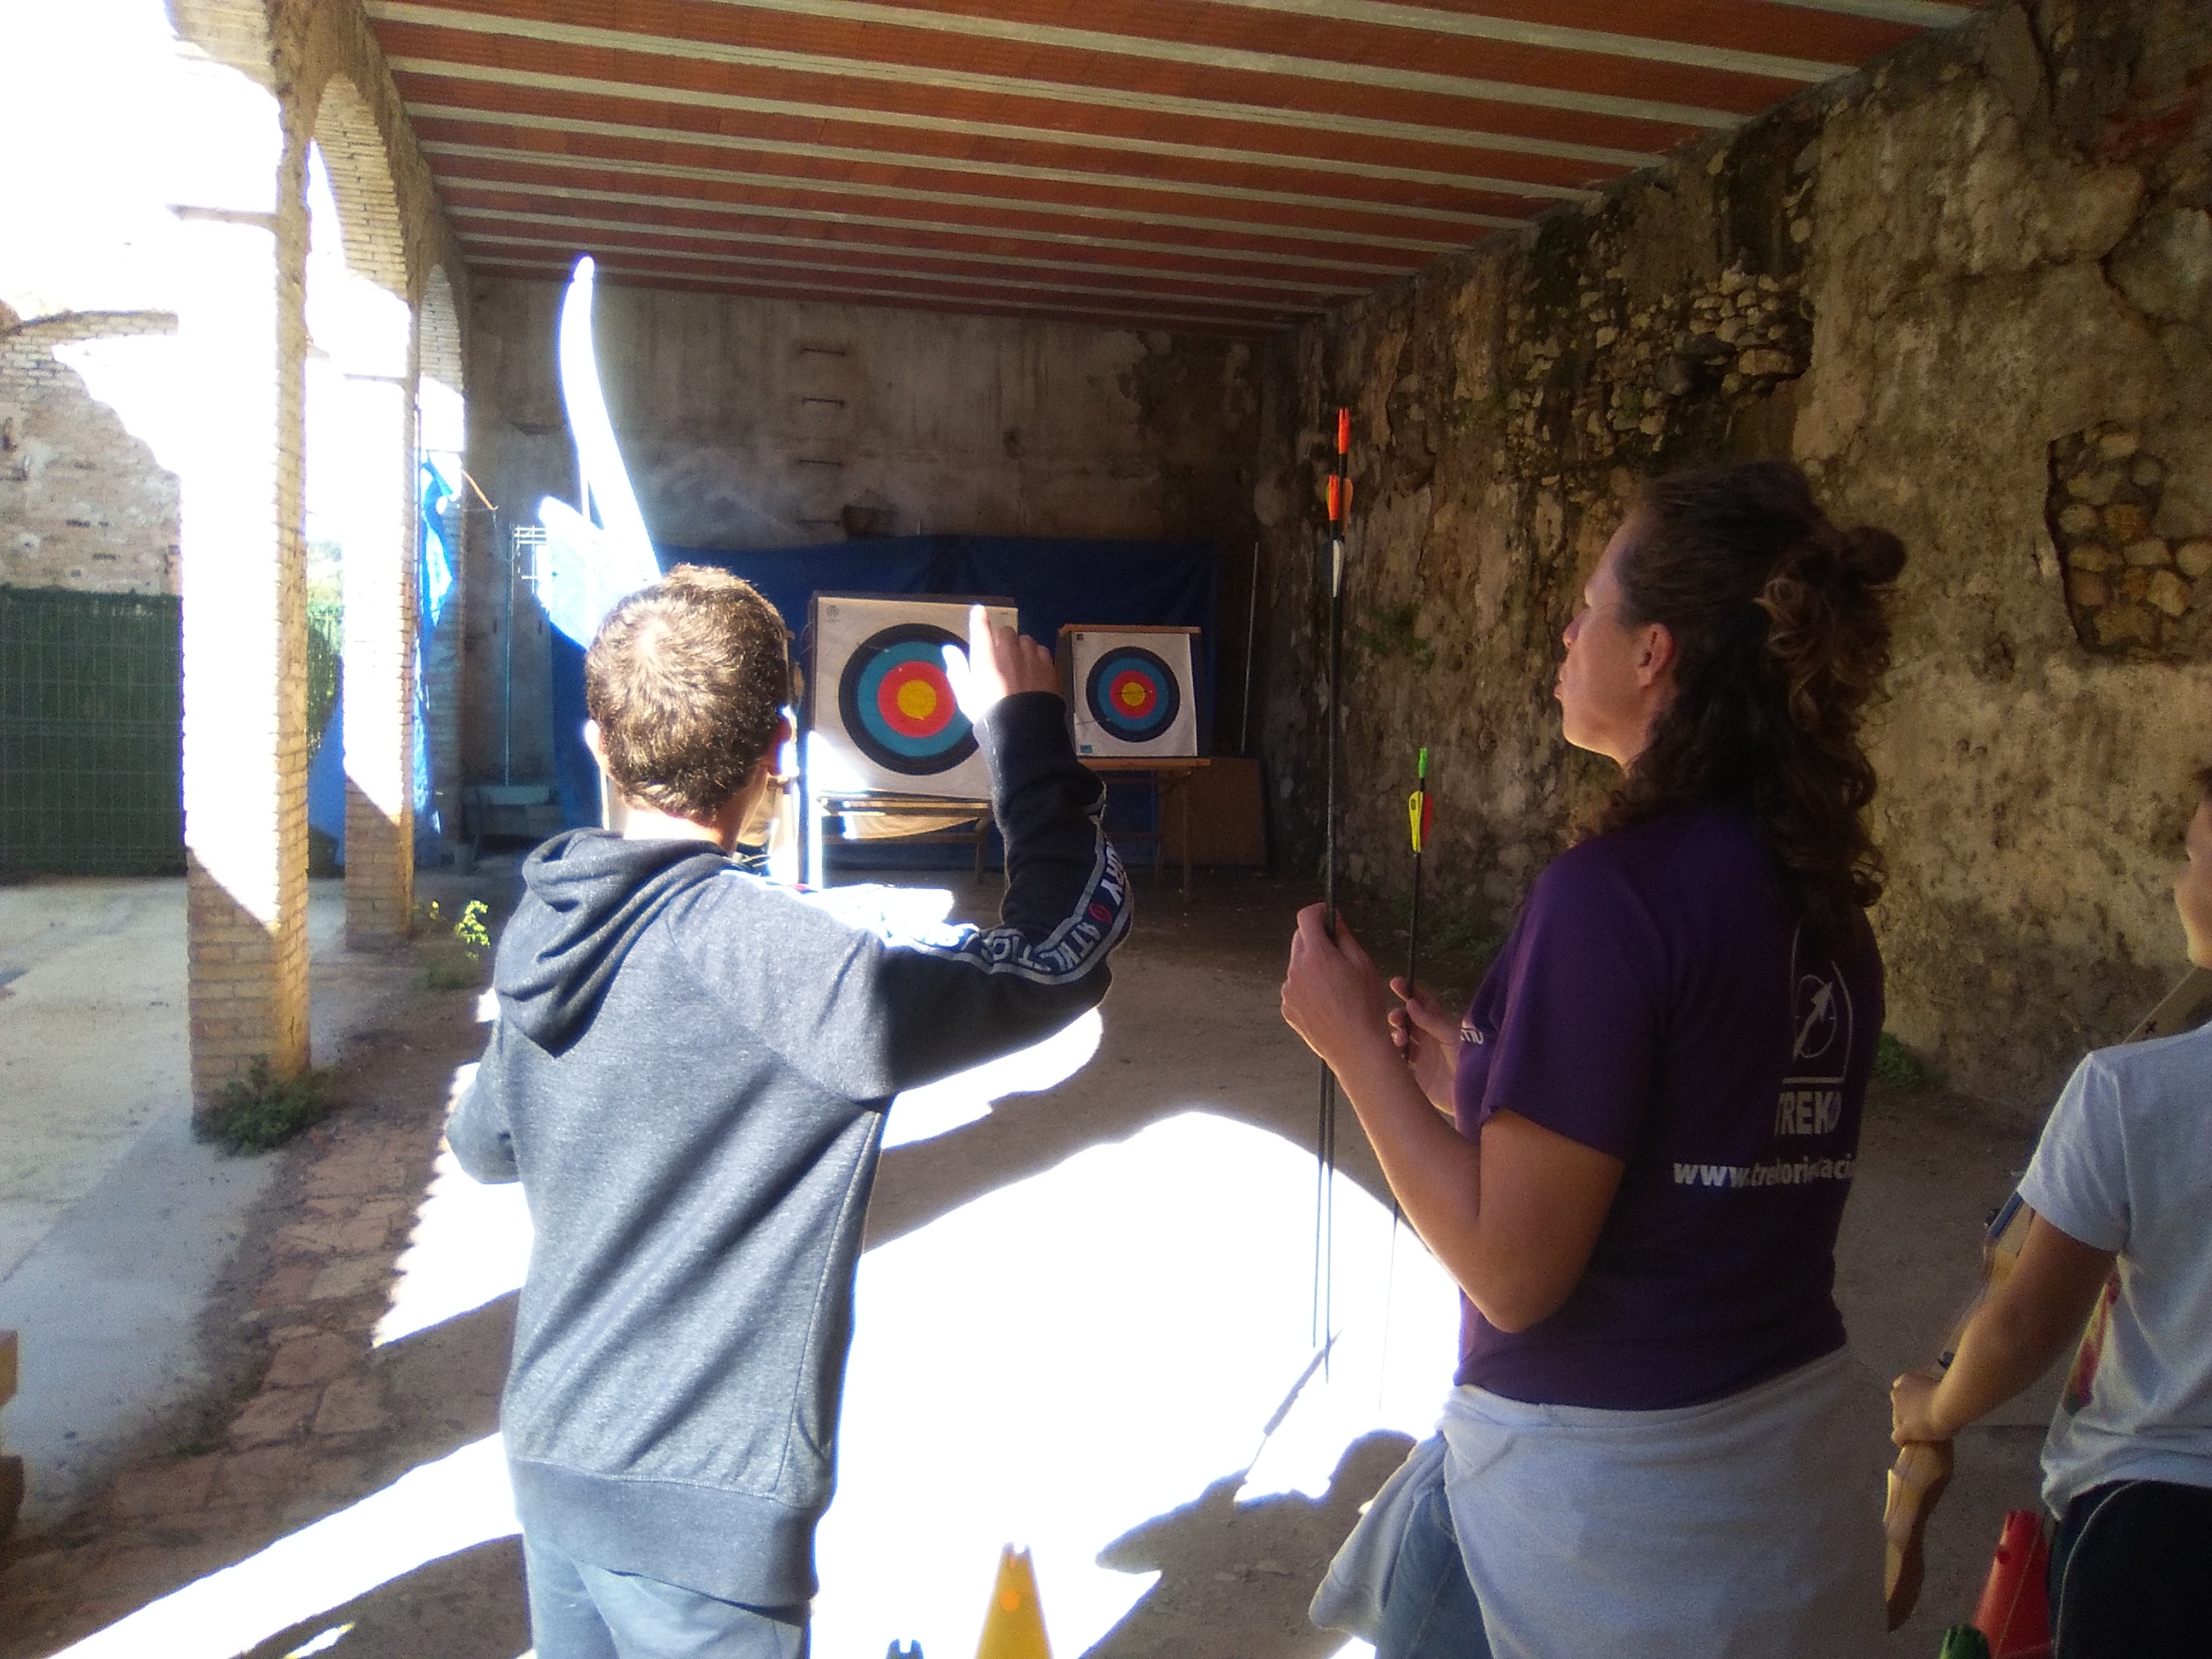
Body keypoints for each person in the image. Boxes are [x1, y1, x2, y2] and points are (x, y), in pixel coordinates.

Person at [448, 569, 1130, 1659]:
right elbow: (1059, 958)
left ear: (595, 743)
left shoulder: (545, 923)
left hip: (553, 1456)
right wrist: (1027, 734)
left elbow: (484, 1143)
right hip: (703, 1512)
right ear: (780, 745)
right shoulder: (798, 972)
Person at [1287, 461, 1905, 1659]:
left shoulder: (1611, 899)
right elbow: (1688, 1140)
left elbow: (1513, 1272)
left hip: (1605, 1522)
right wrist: (1476, 1075)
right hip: (1770, 1494)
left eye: (1586, 609)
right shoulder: (1817, 900)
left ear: (1653, 653)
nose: (1565, 635)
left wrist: (1352, 1044)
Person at [1891, 766, 2212, 1658]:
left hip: (2155, 1524)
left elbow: (2024, 1323)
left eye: (2191, 856)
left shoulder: (2128, 1091)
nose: (2177, 881)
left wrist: (1935, 1409)